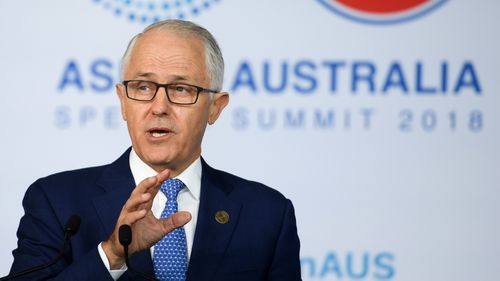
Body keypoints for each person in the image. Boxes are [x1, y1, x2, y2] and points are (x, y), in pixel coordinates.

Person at [8, 20, 301, 281]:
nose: (159, 107)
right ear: (123, 101)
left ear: (215, 107)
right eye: (143, 87)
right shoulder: (57, 201)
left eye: (181, 89)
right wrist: (112, 255)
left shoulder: (266, 214)